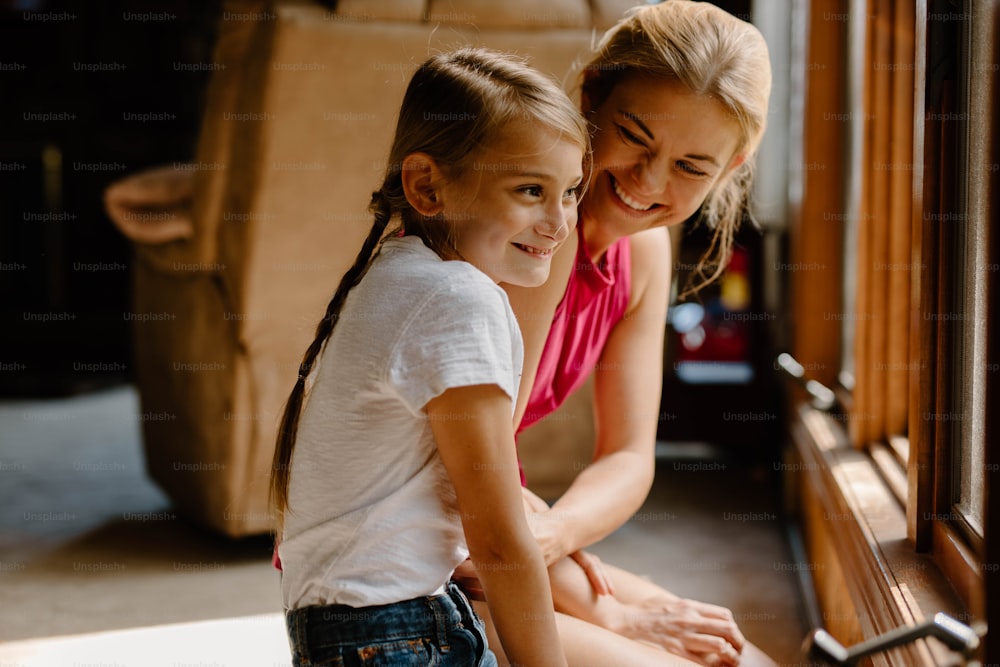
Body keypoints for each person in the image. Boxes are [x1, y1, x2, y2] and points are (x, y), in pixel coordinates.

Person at [459, 3, 777, 667]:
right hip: (401, 555)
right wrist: (610, 611)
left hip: (494, 534)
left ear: (732, 165)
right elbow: (463, 476)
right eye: (635, 136)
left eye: (693, 166)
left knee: (740, 659)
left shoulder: (647, 253)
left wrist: (556, 532)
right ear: (591, 95)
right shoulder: (534, 230)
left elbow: (628, 456)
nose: (649, 181)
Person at [268, 47, 589, 667]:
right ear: (427, 186)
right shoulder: (457, 297)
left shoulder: (396, 274)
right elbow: (496, 540)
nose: (559, 221)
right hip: (395, 633)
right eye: (530, 189)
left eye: (571, 191)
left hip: (348, 629)